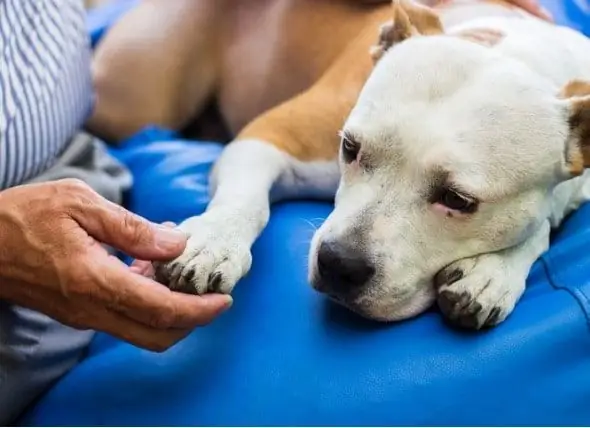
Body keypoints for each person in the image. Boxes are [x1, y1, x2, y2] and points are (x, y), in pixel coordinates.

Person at [0, 0, 551, 424]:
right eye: (356, 151)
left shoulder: (538, 135)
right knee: (121, 110)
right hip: (202, 38)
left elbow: (552, 189)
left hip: (51, 126)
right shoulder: (403, 82)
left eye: (455, 200)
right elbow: (265, 144)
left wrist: (521, 250)